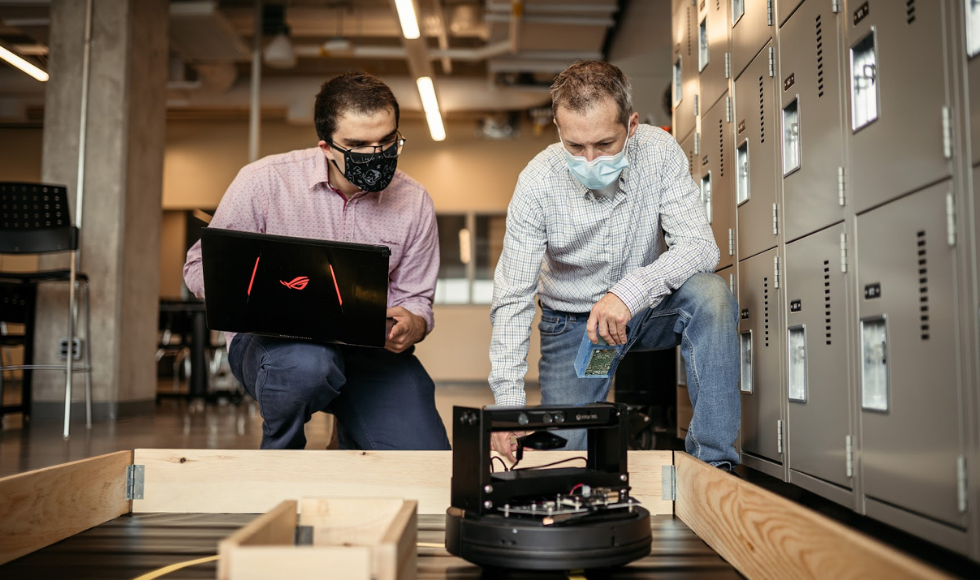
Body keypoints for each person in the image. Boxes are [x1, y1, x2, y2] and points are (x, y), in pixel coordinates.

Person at [488, 60, 739, 470]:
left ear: (632, 125)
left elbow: (700, 247)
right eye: (575, 146)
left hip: (648, 308)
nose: (589, 160)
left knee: (711, 296)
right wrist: (507, 407)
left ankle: (714, 468)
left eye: (604, 144)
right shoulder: (536, 182)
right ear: (557, 127)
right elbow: (513, 297)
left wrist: (629, 291)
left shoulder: (659, 151)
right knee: (565, 459)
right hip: (571, 323)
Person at [183, 72, 449, 451]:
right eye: (358, 145)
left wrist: (414, 322)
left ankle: (347, 434)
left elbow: (417, 297)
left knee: (426, 461)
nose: (376, 155)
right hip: (274, 344)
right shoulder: (263, 182)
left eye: (387, 141)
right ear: (326, 147)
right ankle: (281, 457)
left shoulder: (414, 201)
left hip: (367, 349)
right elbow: (198, 267)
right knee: (308, 367)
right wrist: (258, 293)